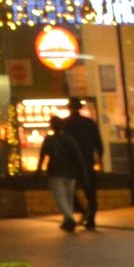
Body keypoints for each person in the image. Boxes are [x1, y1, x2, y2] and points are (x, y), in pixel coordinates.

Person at [45, 97, 106, 235]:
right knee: (91, 192)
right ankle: (91, 219)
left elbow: (63, 144)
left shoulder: (66, 124)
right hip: (87, 161)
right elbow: (98, 143)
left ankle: (80, 212)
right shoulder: (89, 123)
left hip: (71, 165)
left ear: (69, 108)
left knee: (70, 193)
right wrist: (98, 157)